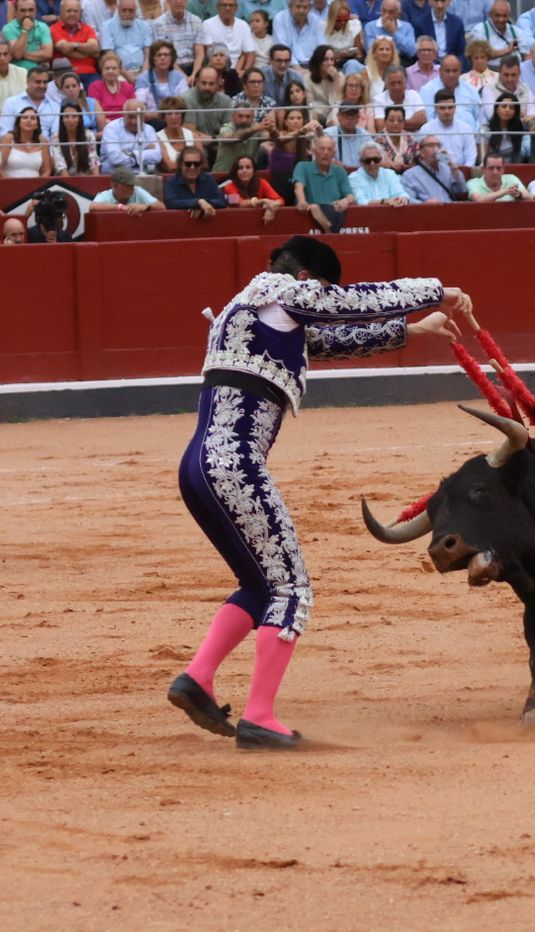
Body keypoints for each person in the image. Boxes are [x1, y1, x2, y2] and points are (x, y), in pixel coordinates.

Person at [169, 236, 469, 749]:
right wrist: (438, 290)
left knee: (260, 582)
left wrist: (413, 329)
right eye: (324, 292)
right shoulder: (287, 291)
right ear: (309, 279)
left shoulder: (244, 312)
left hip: (197, 470)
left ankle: (197, 678)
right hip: (236, 467)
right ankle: (260, 716)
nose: (326, 300)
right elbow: (361, 300)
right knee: (291, 589)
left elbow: (331, 341)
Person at [165, 142, 228, 213]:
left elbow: (222, 201)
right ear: (181, 164)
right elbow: (171, 203)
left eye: (196, 164)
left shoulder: (209, 179)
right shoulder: (171, 181)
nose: (192, 167)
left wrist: (204, 203)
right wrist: (197, 202)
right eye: (188, 164)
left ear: (201, 165)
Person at [400, 130, 465, 198]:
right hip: (427, 208)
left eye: (438, 145)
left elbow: (462, 191)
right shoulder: (410, 175)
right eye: (431, 145)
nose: (435, 149)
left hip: (449, 207)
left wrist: (454, 168)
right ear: (421, 152)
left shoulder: (448, 169)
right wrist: (424, 205)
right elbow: (409, 200)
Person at [89, 163, 164, 211]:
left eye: (133, 185)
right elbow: (93, 207)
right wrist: (121, 207)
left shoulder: (137, 190)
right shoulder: (105, 195)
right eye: (128, 185)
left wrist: (145, 207)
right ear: (115, 185)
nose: (132, 188)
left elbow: (161, 207)